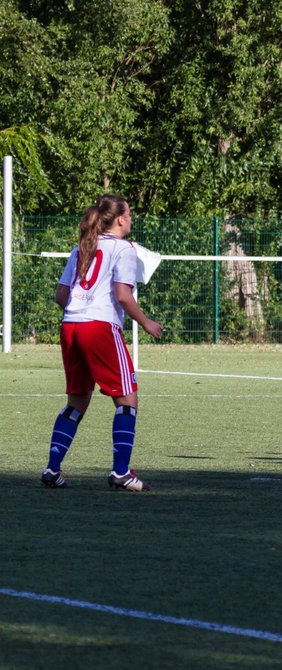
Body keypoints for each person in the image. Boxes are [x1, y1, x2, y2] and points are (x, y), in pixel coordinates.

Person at [42, 195, 164, 491]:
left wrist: (81, 312)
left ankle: (52, 469)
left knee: (77, 400)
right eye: (130, 214)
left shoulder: (81, 247)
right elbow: (122, 295)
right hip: (99, 328)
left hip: (71, 326)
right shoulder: (123, 249)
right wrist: (146, 322)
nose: (132, 220)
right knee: (127, 398)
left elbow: (61, 295)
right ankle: (121, 471)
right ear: (120, 219)